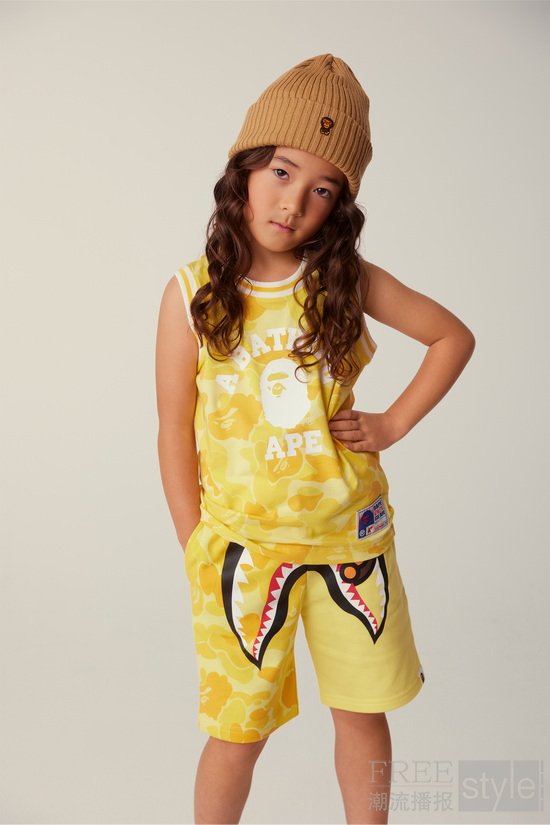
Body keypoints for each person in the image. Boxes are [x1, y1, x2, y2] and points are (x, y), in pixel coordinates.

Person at [155, 54, 475, 825]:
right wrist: (195, 541)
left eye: (323, 188)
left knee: (362, 715)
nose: (294, 200)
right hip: (242, 553)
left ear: (340, 204)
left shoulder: (346, 281)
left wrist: (393, 422)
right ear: (244, 168)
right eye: (281, 171)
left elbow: (451, 336)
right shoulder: (192, 294)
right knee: (237, 733)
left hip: (350, 542)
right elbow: (172, 426)